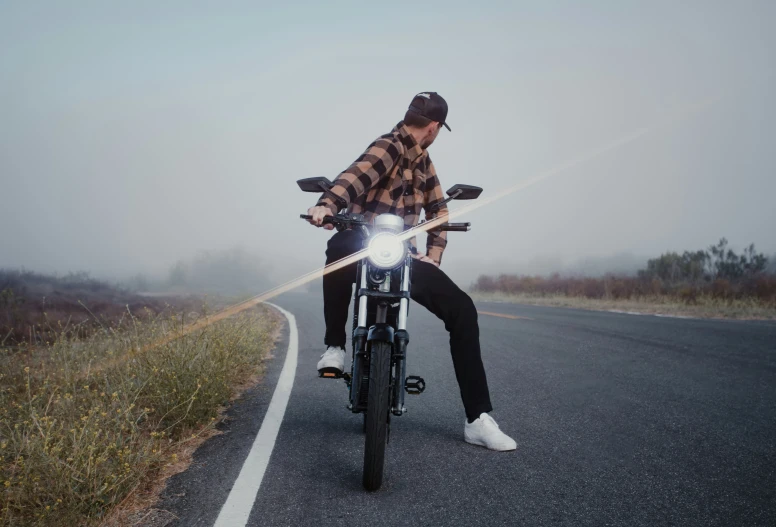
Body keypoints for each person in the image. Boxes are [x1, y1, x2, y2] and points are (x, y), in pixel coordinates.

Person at [306, 92, 516, 451]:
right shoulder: (389, 145)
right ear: (434, 127)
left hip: (401, 254)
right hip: (363, 243)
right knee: (339, 247)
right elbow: (354, 176)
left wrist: (433, 254)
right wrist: (327, 204)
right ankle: (335, 346)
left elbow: (438, 209)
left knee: (462, 309)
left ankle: (478, 419)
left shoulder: (424, 163)